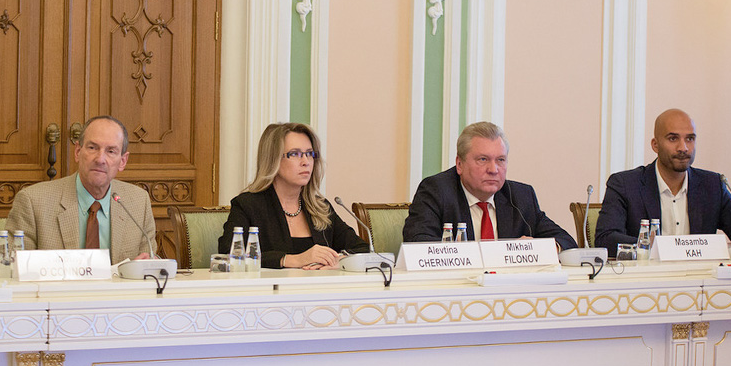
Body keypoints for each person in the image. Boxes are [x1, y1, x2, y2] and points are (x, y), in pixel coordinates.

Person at [594, 108, 731, 254]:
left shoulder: (713, 185)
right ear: (655, 145)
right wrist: (659, 248)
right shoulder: (625, 184)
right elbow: (605, 239)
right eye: (673, 138)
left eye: (690, 139)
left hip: (700, 279)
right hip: (646, 278)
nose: (683, 148)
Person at [217, 122, 369, 269]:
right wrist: (291, 259)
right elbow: (229, 254)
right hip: (271, 287)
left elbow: (362, 249)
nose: (306, 162)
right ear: (273, 160)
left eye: (310, 154)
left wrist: (338, 261)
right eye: (295, 154)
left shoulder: (321, 207)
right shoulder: (248, 205)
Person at [402, 121, 576, 249]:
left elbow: (566, 241)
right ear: (459, 164)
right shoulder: (436, 191)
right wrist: (500, 252)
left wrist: (540, 248)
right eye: (483, 159)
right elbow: (418, 243)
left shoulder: (521, 196)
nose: (493, 170)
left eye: (500, 160)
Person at [6, 115, 154, 263]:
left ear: (123, 161)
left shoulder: (139, 202)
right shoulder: (33, 202)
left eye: (111, 151)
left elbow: (152, 261)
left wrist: (147, 264)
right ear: (77, 152)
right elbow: (13, 267)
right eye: (92, 148)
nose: (100, 159)